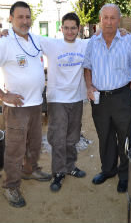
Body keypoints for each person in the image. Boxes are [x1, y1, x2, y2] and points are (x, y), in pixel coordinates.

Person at [0, 1, 51, 208]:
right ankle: (10, 186)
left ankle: (29, 170)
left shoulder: (36, 40)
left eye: (28, 17)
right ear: (10, 18)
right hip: (16, 108)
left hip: (36, 103)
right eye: (20, 17)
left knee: (35, 143)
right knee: (14, 149)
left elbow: (67, 41)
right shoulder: (5, 42)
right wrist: (3, 96)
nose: (25, 21)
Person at [83, 3, 131, 193]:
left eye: (113, 17)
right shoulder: (92, 42)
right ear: (100, 19)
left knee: (124, 137)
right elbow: (87, 67)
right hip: (100, 100)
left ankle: (124, 175)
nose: (108, 21)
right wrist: (89, 86)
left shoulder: (127, 40)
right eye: (105, 17)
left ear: (119, 20)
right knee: (104, 135)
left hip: (123, 96)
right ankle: (108, 170)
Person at [39, 13, 87, 192]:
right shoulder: (52, 44)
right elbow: (26, 35)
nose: (69, 31)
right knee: (58, 138)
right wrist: (7, 32)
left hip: (76, 99)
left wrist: (121, 31)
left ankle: (70, 166)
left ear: (78, 29)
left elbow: (105, 37)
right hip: (57, 99)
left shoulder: (85, 44)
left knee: (73, 137)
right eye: (66, 27)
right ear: (61, 28)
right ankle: (58, 172)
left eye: (73, 28)